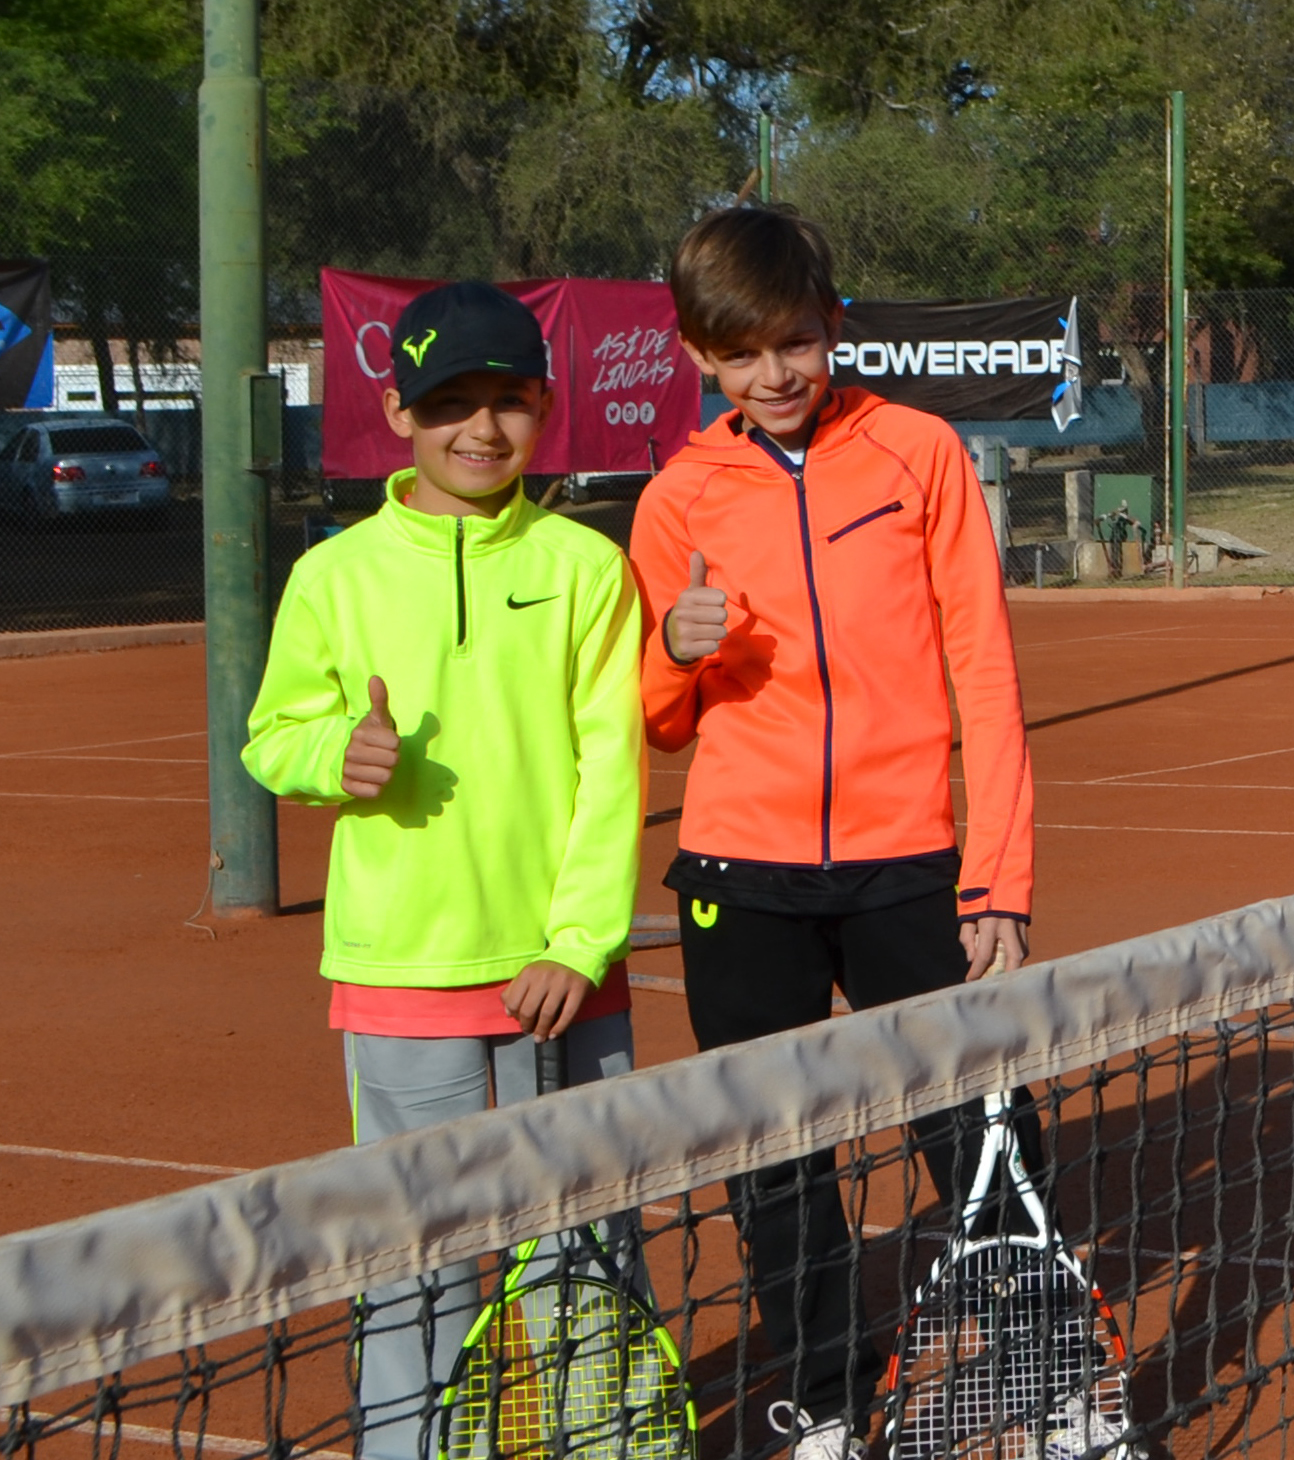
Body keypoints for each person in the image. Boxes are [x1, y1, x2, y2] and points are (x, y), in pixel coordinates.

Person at [625, 206, 1041, 1460]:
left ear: (832, 324)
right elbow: (659, 722)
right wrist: (674, 653)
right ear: (703, 357)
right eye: (744, 352)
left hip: (911, 863)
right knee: (774, 1161)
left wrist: (998, 875)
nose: (777, 375)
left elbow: (984, 666)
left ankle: (1039, 1366)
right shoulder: (675, 497)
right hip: (739, 877)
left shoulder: (919, 453)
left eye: (795, 341)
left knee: (985, 1128)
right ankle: (827, 1401)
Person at [242, 282, 644, 1460]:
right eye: (449, 403)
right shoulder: (335, 576)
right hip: (400, 977)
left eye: (508, 402)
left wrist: (578, 943)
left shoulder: (585, 568)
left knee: (580, 1263)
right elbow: (273, 737)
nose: (481, 429)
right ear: (397, 413)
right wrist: (336, 753)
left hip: (563, 982)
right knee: (414, 1273)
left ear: (545, 406)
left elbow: (612, 765)